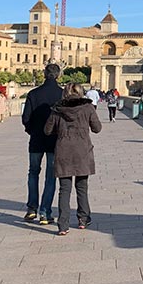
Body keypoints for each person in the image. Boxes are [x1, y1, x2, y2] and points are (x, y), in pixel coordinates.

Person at [44, 82, 102, 236]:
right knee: (82, 187)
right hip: (82, 151)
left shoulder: (57, 109)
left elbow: (47, 130)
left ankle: (63, 225)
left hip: (64, 151)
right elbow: (97, 128)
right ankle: (83, 218)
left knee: (64, 190)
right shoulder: (87, 107)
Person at [21, 63, 63, 224]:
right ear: (58, 75)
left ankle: (32, 209)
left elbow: (26, 118)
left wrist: (32, 131)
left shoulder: (33, 93)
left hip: (36, 140)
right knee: (50, 177)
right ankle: (45, 212)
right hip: (54, 140)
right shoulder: (61, 94)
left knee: (33, 172)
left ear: (44, 74)